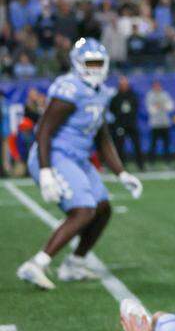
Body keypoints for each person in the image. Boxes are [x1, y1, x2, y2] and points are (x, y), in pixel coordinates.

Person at [17, 39, 143, 290]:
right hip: (54, 155)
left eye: (99, 63)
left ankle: (74, 264)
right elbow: (43, 132)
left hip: (77, 158)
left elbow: (102, 135)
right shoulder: (69, 89)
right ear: (77, 64)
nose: (95, 69)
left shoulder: (101, 92)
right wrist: (45, 172)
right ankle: (37, 264)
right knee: (84, 210)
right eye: (90, 63)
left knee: (103, 208)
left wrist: (122, 173)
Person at [108, 75, 145, 171]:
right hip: (120, 124)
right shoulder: (116, 96)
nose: (124, 86)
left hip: (132, 123)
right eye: (122, 84)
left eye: (125, 84)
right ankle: (121, 166)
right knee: (119, 146)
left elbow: (136, 107)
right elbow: (112, 109)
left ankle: (140, 165)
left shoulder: (133, 95)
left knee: (137, 145)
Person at [145, 79, 174, 164]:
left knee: (166, 144)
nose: (157, 87)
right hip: (155, 124)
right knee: (153, 144)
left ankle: (168, 161)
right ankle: (151, 162)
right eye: (155, 86)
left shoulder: (165, 94)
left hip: (165, 123)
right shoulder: (150, 95)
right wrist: (161, 106)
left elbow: (170, 107)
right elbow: (151, 110)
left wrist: (160, 106)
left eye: (158, 85)